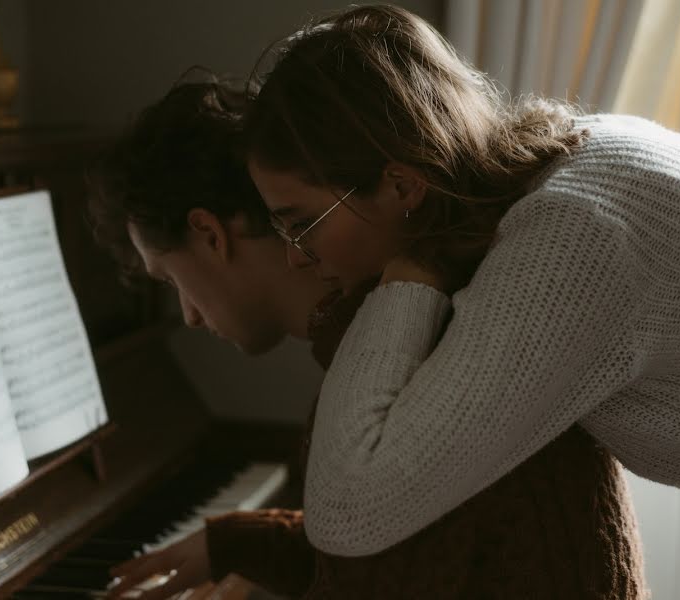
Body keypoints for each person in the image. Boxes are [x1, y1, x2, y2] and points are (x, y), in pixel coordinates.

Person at [89, 72, 647, 599]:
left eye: (170, 279)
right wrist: (234, 544)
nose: (186, 316)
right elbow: (399, 551)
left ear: (209, 234)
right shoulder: (405, 324)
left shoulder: (412, 364)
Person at [244, 4, 680, 559]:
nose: (294, 258)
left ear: (402, 187)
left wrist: (411, 273)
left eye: (300, 224)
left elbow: (347, 514)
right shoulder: (565, 166)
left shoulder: (570, 237)